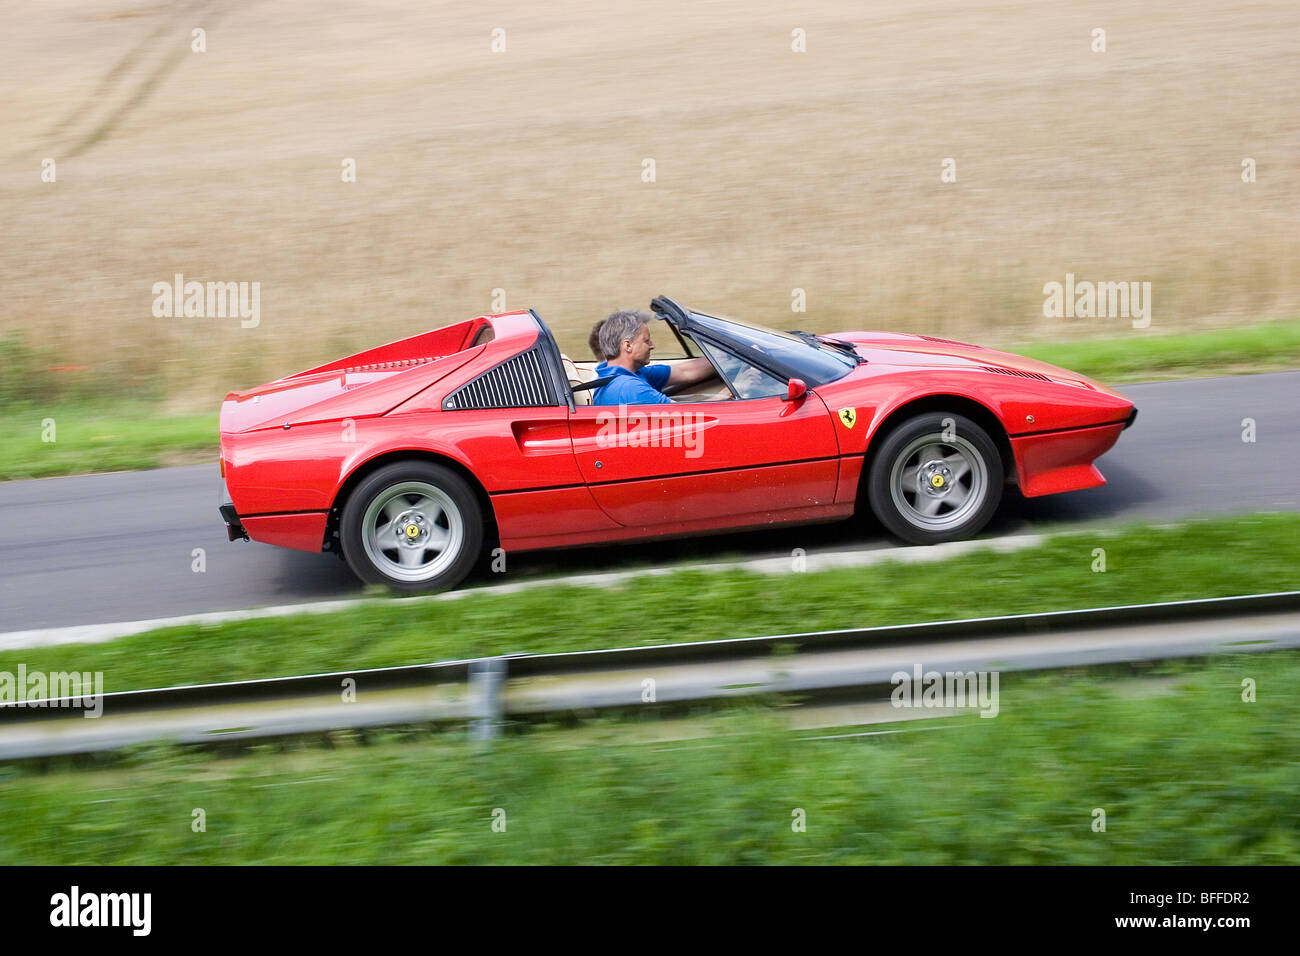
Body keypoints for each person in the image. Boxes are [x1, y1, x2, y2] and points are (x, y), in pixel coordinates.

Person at [590, 309, 716, 405]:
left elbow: (685, 371)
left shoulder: (621, 374)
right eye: (647, 341)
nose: (652, 346)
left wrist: (725, 359)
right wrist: (724, 396)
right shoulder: (630, 389)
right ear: (628, 345)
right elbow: (689, 417)